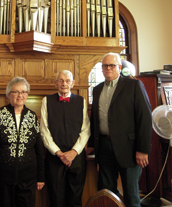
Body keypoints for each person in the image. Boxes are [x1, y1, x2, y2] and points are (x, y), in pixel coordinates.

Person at [89, 52, 152, 207]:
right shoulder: (97, 90)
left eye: (112, 65)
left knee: (131, 194)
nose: (108, 68)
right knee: (106, 193)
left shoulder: (134, 85)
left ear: (119, 67)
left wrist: (143, 150)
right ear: (102, 69)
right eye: (105, 65)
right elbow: (94, 120)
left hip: (129, 150)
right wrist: (92, 146)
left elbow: (145, 118)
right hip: (104, 148)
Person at [0, 76, 45, 207]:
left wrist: (40, 176)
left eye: (23, 92)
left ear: (27, 94)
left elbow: (38, 149)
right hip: (3, 178)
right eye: (15, 92)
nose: (20, 95)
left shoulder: (32, 116)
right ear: (8, 95)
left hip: (28, 178)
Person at [40, 70, 90, 207]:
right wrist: (58, 153)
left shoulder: (81, 101)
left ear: (73, 83)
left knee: (75, 200)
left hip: (77, 158)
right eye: (61, 80)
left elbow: (85, 130)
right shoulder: (47, 101)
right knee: (56, 200)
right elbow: (44, 130)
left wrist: (74, 152)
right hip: (55, 158)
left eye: (67, 81)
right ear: (56, 83)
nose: (64, 84)